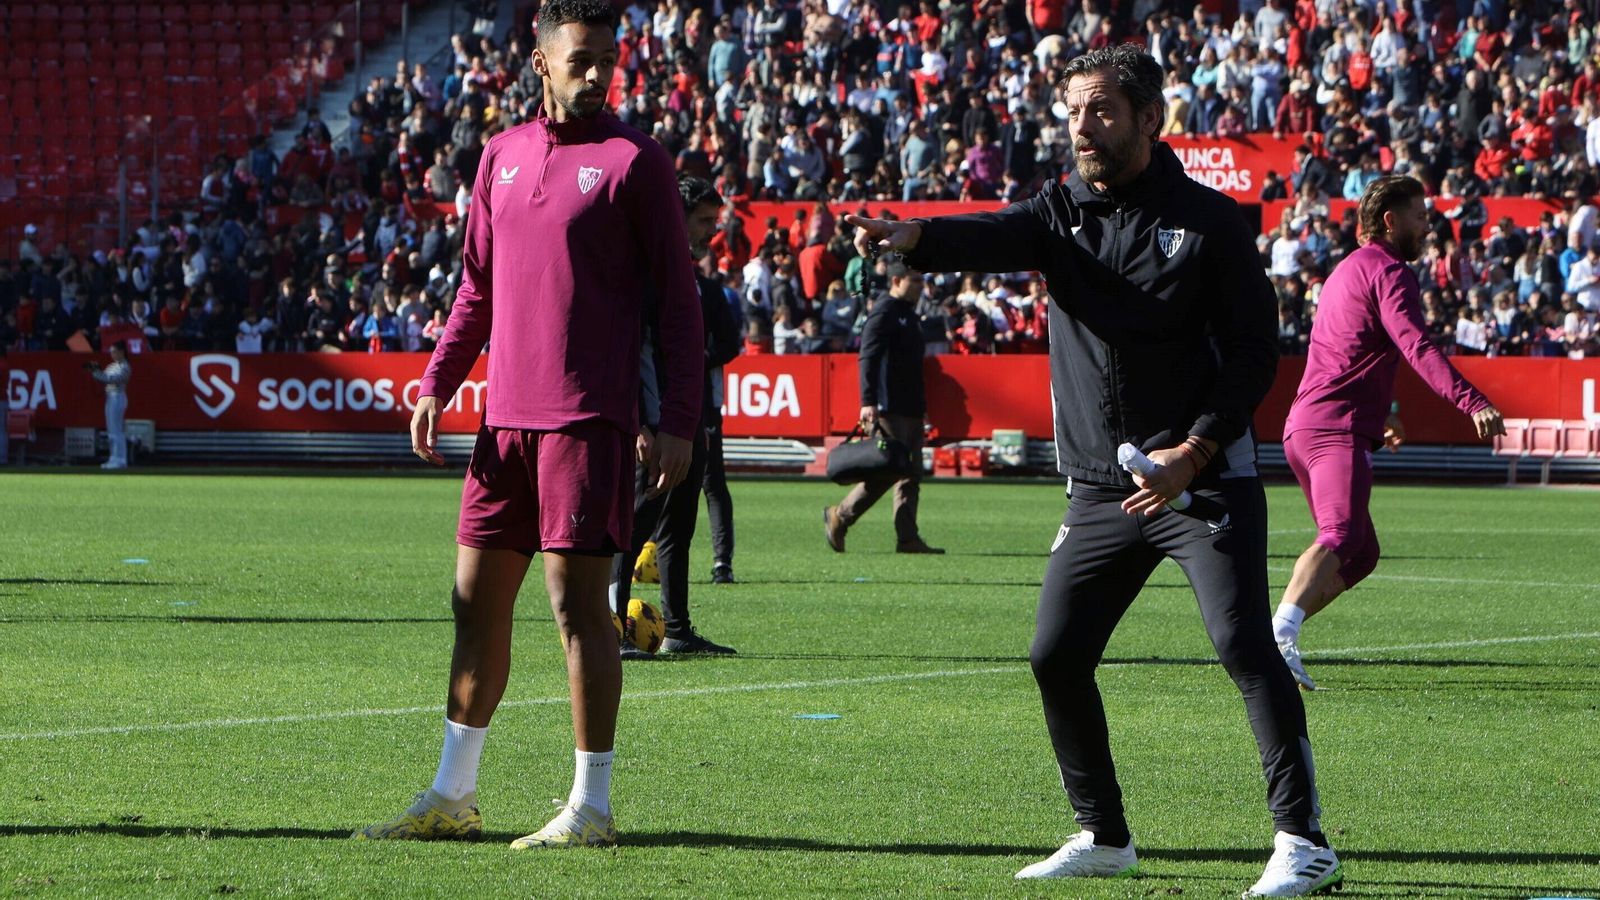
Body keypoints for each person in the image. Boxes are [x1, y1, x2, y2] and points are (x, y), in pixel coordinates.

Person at [842, 45, 1338, 897]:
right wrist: (915, 237)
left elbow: (1257, 354)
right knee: (1055, 655)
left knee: (1244, 647)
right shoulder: (1059, 209)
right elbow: (996, 232)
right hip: (1103, 487)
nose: (1082, 126)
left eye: (1102, 109)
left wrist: (1196, 451)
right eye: (1072, 109)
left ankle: (1305, 843)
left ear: (1151, 119)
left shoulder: (1213, 223)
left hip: (1202, 477)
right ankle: (1104, 836)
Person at [356, 0, 704, 850]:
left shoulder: (637, 162)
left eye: (607, 61)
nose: (598, 75)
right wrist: (439, 380)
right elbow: (476, 286)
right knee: (474, 604)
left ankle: (591, 807)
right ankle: (452, 796)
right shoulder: (500, 155)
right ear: (540, 61)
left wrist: (678, 421)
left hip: (588, 420)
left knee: (578, 608)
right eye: (581, 59)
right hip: (501, 422)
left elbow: (678, 305)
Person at [1273, 176, 1507, 691]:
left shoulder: (1344, 272)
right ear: (1390, 221)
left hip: (1306, 426)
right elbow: (1416, 346)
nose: (1428, 225)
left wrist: (1387, 412)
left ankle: (1277, 632)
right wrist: (1472, 401)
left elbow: (1352, 351)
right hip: (1335, 429)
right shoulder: (1391, 271)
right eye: (1421, 215)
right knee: (1339, 535)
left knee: (1362, 552)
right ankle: (1278, 637)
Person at [610, 175, 742, 658]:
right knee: (632, 526)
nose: (712, 230)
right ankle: (612, 626)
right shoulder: (647, 271)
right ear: (678, 216)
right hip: (657, 423)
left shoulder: (688, 275)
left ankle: (679, 629)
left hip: (686, 422)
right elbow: (632, 349)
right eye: (704, 220)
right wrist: (640, 420)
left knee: (679, 526)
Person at [822, 255, 943, 555]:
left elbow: (914, 367)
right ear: (896, 281)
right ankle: (840, 515)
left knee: (912, 474)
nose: (920, 286)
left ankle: (907, 537)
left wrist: (923, 405)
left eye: (921, 280)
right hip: (889, 407)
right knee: (889, 472)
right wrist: (868, 402)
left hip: (911, 406)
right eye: (914, 280)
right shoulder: (885, 312)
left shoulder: (908, 313)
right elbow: (868, 357)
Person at [88, 342, 132, 470]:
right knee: (111, 429)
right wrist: (96, 372)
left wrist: (96, 372)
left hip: (118, 397)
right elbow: (104, 378)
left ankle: (120, 459)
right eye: (111, 352)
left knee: (117, 429)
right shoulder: (113, 366)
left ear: (122, 352)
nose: (112, 354)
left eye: (115, 351)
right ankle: (113, 457)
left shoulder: (125, 366)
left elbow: (111, 379)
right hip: (110, 397)